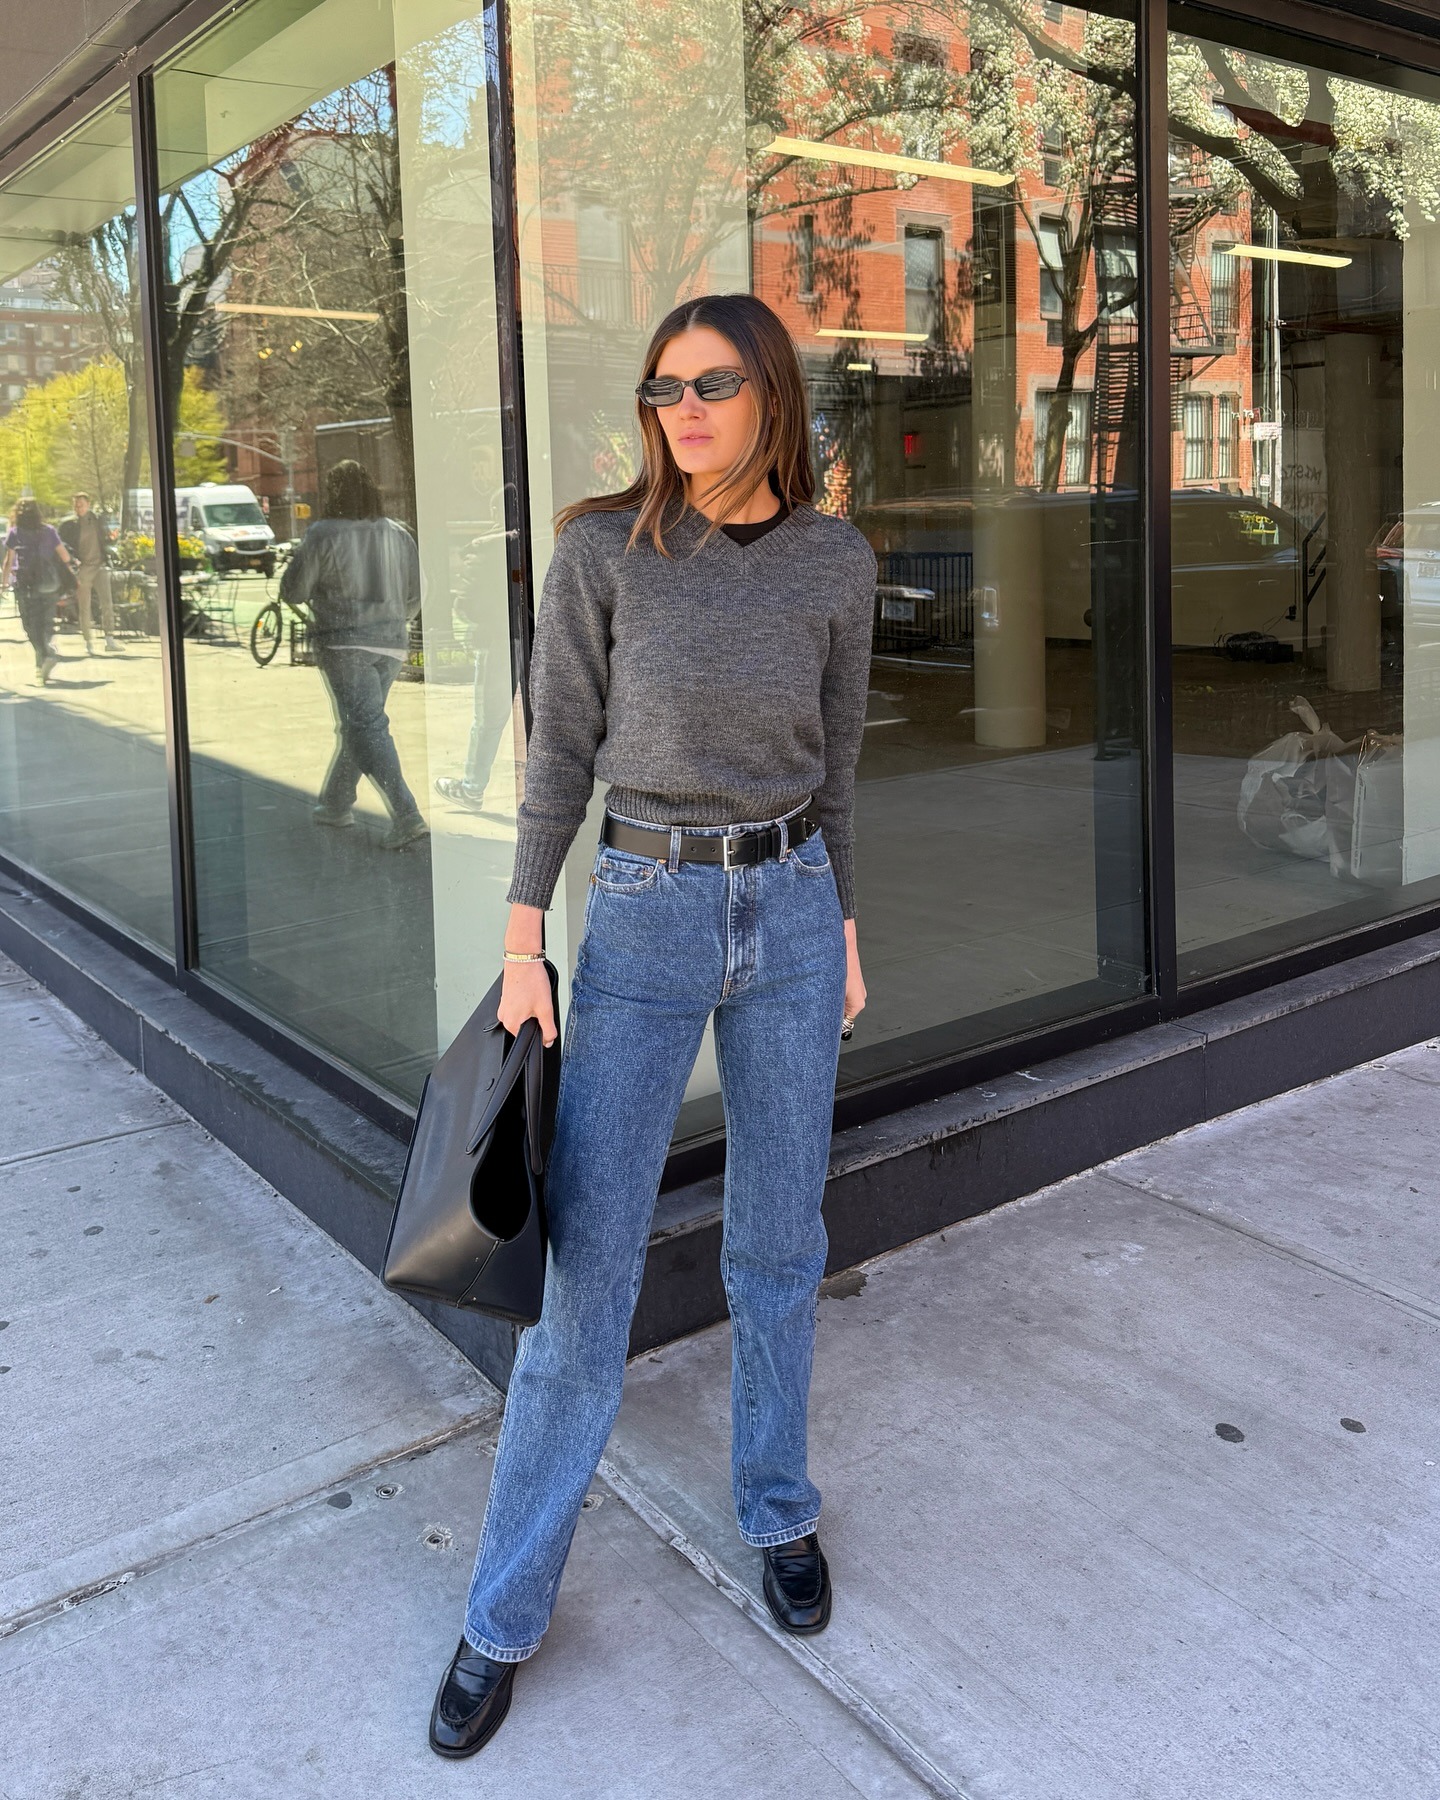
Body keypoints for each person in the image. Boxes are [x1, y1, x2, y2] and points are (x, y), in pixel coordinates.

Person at [428, 292, 876, 1760]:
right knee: (588, 1272)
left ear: (771, 401)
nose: (681, 411)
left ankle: (777, 1509)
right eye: (663, 387)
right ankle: (501, 1613)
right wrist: (521, 940)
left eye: (712, 385)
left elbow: (844, 765)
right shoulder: (602, 552)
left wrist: (849, 925)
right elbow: (559, 750)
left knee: (779, 1242)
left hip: (795, 910)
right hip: (646, 907)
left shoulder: (834, 562)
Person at [279, 460, 428, 850]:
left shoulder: (323, 533)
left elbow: (293, 590)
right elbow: (416, 594)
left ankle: (407, 815)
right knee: (364, 726)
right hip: (392, 643)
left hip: (344, 642)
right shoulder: (399, 534)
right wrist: (395, 621)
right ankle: (336, 803)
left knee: (367, 727)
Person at [3, 499, 76, 686]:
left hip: (25, 586)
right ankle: (42, 665)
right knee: (45, 623)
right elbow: (65, 556)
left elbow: (8, 562)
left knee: (30, 625)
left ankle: (46, 656)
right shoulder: (49, 531)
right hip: (48, 584)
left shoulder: (15, 533)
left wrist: (4, 584)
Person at [58, 493, 120, 654]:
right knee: (84, 606)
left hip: (100, 565)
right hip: (83, 568)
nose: (78, 508)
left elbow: (104, 540)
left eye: (81, 504)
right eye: (76, 505)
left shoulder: (98, 520)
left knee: (107, 602)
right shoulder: (69, 525)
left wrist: (111, 539)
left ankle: (110, 639)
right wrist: (73, 562)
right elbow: (62, 545)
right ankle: (89, 642)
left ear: (88, 504)